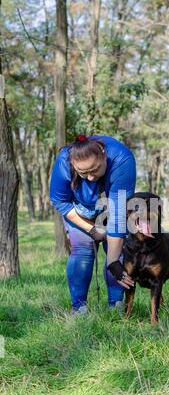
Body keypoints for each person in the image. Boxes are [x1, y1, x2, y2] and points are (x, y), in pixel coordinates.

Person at [49, 134, 136, 315]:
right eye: (83, 173)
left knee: (116, 254)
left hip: (110, 209)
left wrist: (112, 262)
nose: (90, 178)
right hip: (78, 211)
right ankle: (79, 308)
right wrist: (91, 229)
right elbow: (61, 202)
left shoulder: (122, 159)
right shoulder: (64, 160)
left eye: (95, 170)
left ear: (104, 155)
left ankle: (116, 305)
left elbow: (118, 216)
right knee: (83, 249)